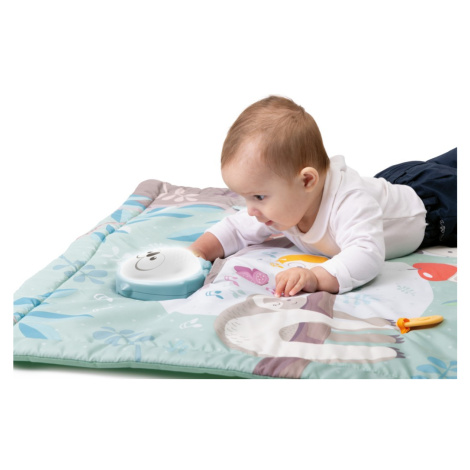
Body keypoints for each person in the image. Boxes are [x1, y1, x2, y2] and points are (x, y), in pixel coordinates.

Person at [189, 96, 457, 296]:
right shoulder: (284, 203)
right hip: (397, 183)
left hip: (435, 207)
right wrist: (197, 252)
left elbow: (366, 254)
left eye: (258, 196)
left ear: (307, 180)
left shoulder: (349, 203)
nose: (250, 210)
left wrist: (316, 277)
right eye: (245, 197)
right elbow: (235, 229)